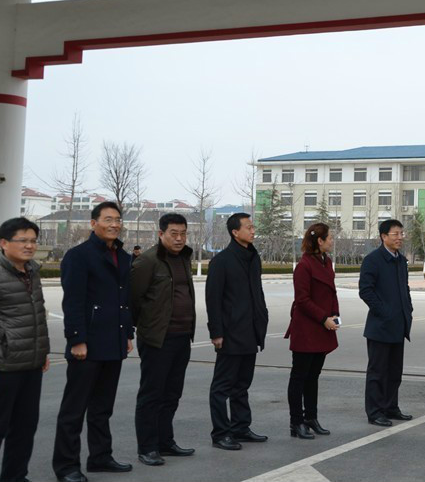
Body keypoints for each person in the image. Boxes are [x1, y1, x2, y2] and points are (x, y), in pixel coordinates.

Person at [53, 202, 135, 482]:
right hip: (86, 345)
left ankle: (100, 457)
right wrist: (76, 339)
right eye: (108, 219)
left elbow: (125, 301)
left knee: (102, 407)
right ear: (93, 223)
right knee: (73, 411)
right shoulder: (79, 256)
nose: (114, 224)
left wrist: (127, 334)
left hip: (113, 342)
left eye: (118, 219)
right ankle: (66, 466)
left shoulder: (123, 257)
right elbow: (73, 302)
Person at [130, 213, 196, 466]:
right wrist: (148, 327)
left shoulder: (184, 258)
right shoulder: (147, 261)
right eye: (173, 234)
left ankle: (165, 442)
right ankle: (147, 447)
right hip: (158, 339)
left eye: (183, 233)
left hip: (182, 337)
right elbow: (134, 300)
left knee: (172, 394)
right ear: (161, 234)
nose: (179, 239)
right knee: (152, 394)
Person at [0, 217, 50, 482]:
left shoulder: (32, 271)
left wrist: (43, 351)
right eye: (22, 241)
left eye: (33, 241)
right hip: (3, 366)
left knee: (25, 428)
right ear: (4, 243)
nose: (29, 246)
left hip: (31, 363)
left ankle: (15, 477)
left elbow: (36, 314)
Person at [206, 213, 269, 451]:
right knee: (222, 387)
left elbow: (257, 292)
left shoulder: (253, 257)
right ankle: (221, 433)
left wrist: (262, 318)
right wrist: (216, 332)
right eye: (249, 227)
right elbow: (213, 300)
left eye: (253, 227)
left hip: (251, 330)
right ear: (235, 232)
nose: (253, 231)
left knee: (242, 384)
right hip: (230, 332)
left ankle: (241, 427)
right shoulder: (222, 261)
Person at [284, 223, 340, 439]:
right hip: (307, 328)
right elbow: (302, 300)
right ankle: (296, 422)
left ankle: (311, 417)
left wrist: (334, 314)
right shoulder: (304, 266)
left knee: (313, 376)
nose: (332, 241)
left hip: (323, 325)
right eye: (330, 238)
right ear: (320, 241)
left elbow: (331, 293)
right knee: (299, 377)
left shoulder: (326, 262)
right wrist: (323, 317)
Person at [359, 219, 413, 427]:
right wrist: (385, 312)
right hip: (380, 326)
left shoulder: (400, 260)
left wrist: (407, 308)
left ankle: (391, 407)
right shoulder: (373, 260)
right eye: (395, 234)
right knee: (378, 372)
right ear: (384, 237)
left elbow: (404, 288)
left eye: (401, 234)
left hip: (399, 325)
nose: (400, 238)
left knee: (394, 372)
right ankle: (375, 411)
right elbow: (366, 290)